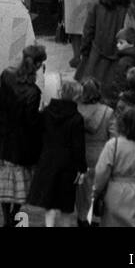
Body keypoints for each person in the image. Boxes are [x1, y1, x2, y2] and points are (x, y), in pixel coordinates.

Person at [0, 44, 47, 228]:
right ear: (38, 64)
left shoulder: (7, 76)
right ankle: (14, 215)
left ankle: (6, 219)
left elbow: (1, 100)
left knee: (3, 181)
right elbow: (31, 122)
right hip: (20, 145)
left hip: (0, 137)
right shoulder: (33, 92)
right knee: (20, 185)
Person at [27, 77, 86, 227]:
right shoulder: (77, 118)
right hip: (67, 165)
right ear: (77, 97)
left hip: (47, 159)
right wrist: (82, 168)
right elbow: (78, 146)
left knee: (49, 204)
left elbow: (38, 133)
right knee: (66, 205)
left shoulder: (47, 112)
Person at [92, 104, 135, 227]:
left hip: (114, 194)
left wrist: (97, 191)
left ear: (122, 124)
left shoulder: (113, 145)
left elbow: (101, 172)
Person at [76, 0, 132, 99]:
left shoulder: (96, 5)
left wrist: (84, 52)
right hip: (119, 58)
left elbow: (88, 31)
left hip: (96, 58)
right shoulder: (128, 8)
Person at [76, 78, 115, 226]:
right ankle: (95, 219)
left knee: (81, 195)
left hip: (81, 156)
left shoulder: (76, 109)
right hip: (101, 157)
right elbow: (114, 138)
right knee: (98, 194)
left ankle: (82, 219)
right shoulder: (108, 112)